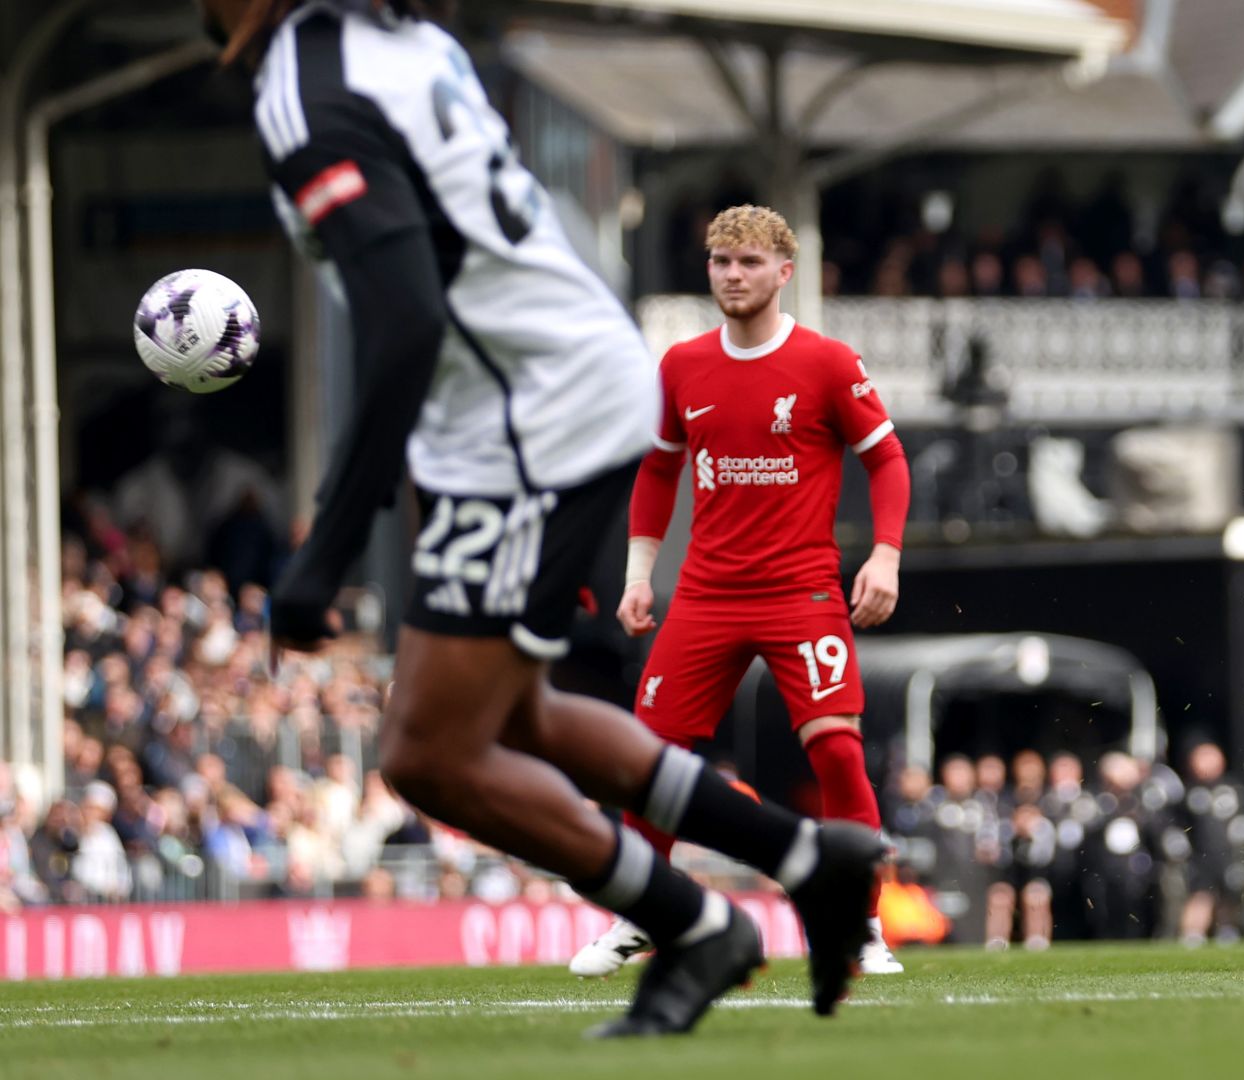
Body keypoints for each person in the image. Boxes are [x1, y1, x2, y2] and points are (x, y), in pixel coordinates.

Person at [200, 0, 882, 1036]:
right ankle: (803, 861)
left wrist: (327, 549)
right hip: (540, 395)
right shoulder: (401, 43)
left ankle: (697, 925)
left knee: (428, 751)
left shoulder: (307, 84)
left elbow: (411, 320)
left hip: (530, 418)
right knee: (512, 717)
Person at [569, 204, 911, 978]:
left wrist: (884, 556)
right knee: (649, 761)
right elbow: (658, 470)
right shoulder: (683, 365)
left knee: (836, 755)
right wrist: (636, 574)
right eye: (721, 263)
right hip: (705, 596)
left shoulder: (827, 363)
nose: (732, 276)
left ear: (784, 273)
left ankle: (859, 926)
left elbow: (888, 462)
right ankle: (641, 916)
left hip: (802, 593)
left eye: (749, 263)